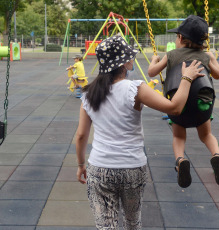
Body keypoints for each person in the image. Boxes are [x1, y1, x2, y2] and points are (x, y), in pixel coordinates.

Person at [76, 35, 205, 229]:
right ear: (125, 63)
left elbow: (81, 136)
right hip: (132, 167)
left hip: (100, 167)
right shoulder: (135, 88)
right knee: (132, 222)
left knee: (105, 226)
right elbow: (175, 108)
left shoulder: (88, 94)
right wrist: (186, 78)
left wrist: (80, 164)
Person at [147, 15, 219, 188]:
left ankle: (180, 160)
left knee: (178, 135)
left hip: (179, 103)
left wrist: (154, 60)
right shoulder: (205, 55)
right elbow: (218, 75)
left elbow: (152, 72)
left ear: (181, 38)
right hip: (202, 102)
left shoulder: (171, 55)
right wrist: (211, 58)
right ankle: (216, 156)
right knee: (206, 135)